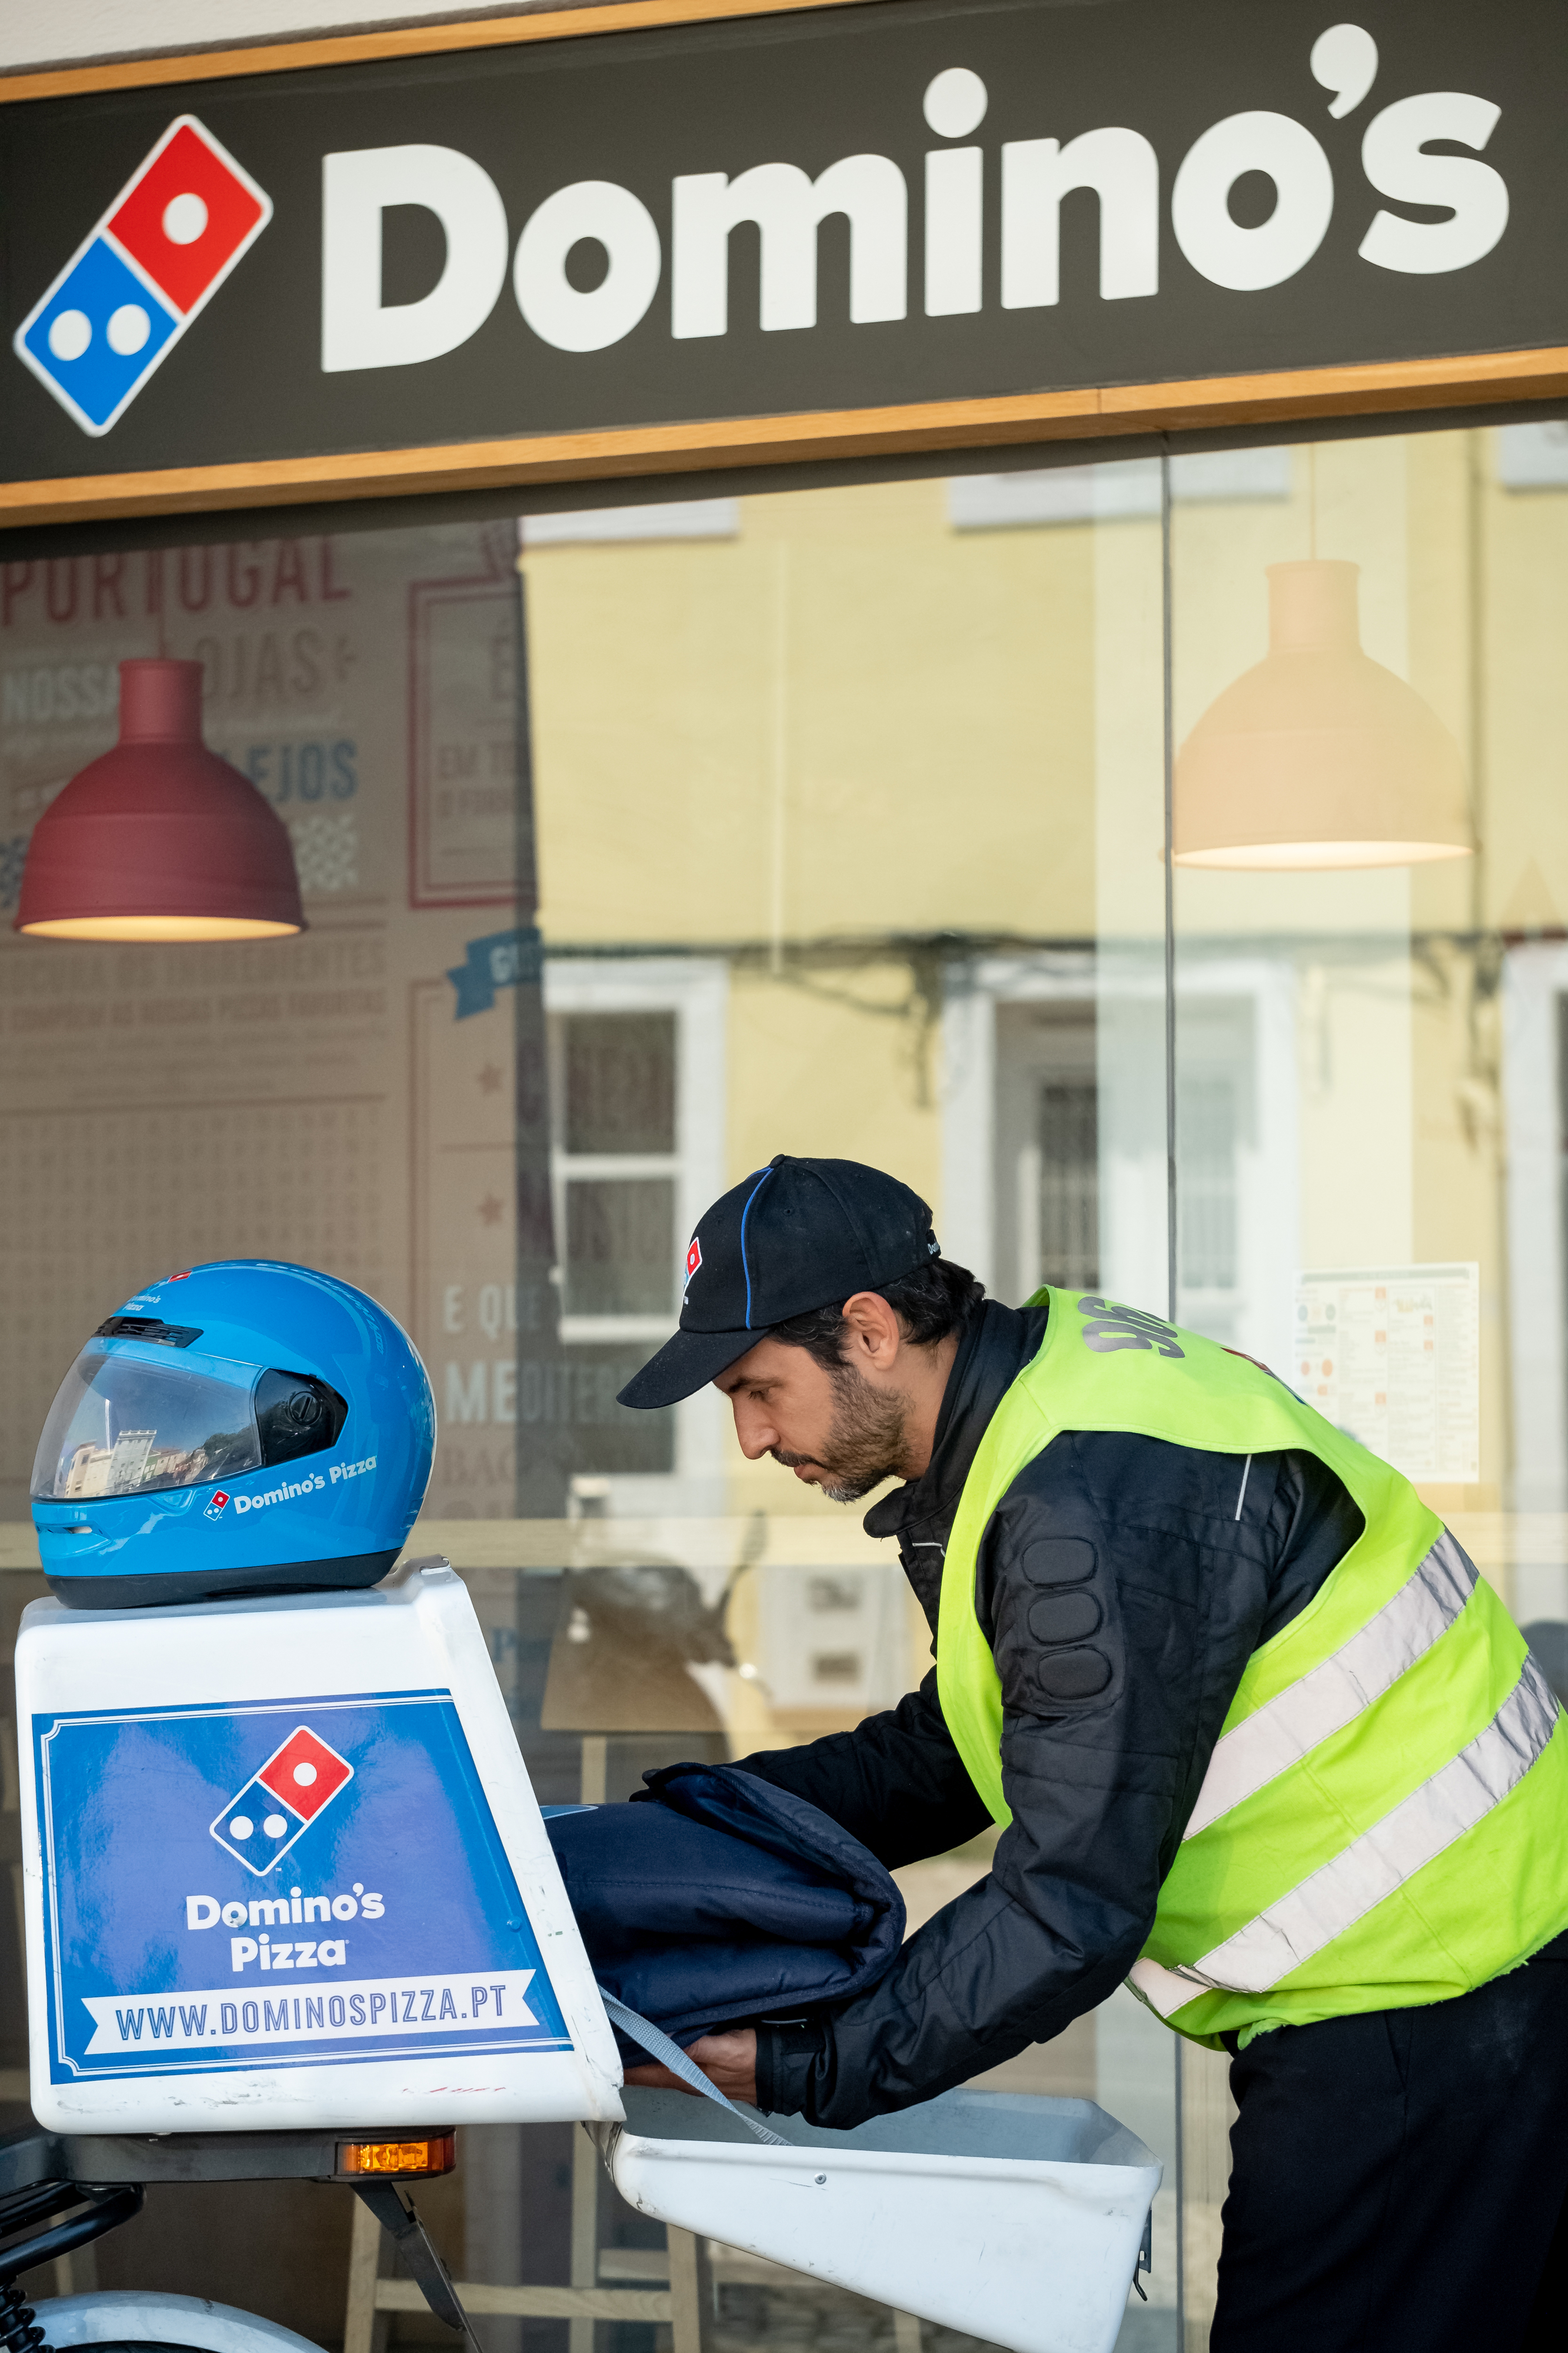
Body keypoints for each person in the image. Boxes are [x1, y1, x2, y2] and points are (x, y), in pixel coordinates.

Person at [616, 1154, 1568, 2353]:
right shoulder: (1054, 1400)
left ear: (865, 1330)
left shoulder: (1085, 1495)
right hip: (1472, 1954)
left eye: (758, 1387)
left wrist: (805, 2062)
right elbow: (968, 1746)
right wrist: (702, 1825)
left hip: (1415, 2001)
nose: (751, 1436)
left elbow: (1069, 1895)